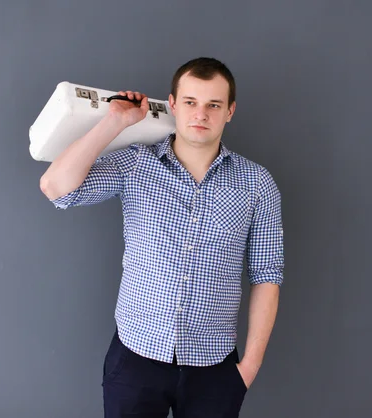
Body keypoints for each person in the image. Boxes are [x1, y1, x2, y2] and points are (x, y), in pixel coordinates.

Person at [40, 57, 284, 418]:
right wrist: (116, 121)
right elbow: (56, 188)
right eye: (190, 102)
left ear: (229, 111)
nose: (201, 114)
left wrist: (248, 368)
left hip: (214, 367)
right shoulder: (136, 164)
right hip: (135, 358)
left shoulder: (257, 184)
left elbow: (267, 275)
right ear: (172, 104)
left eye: (213, 105)